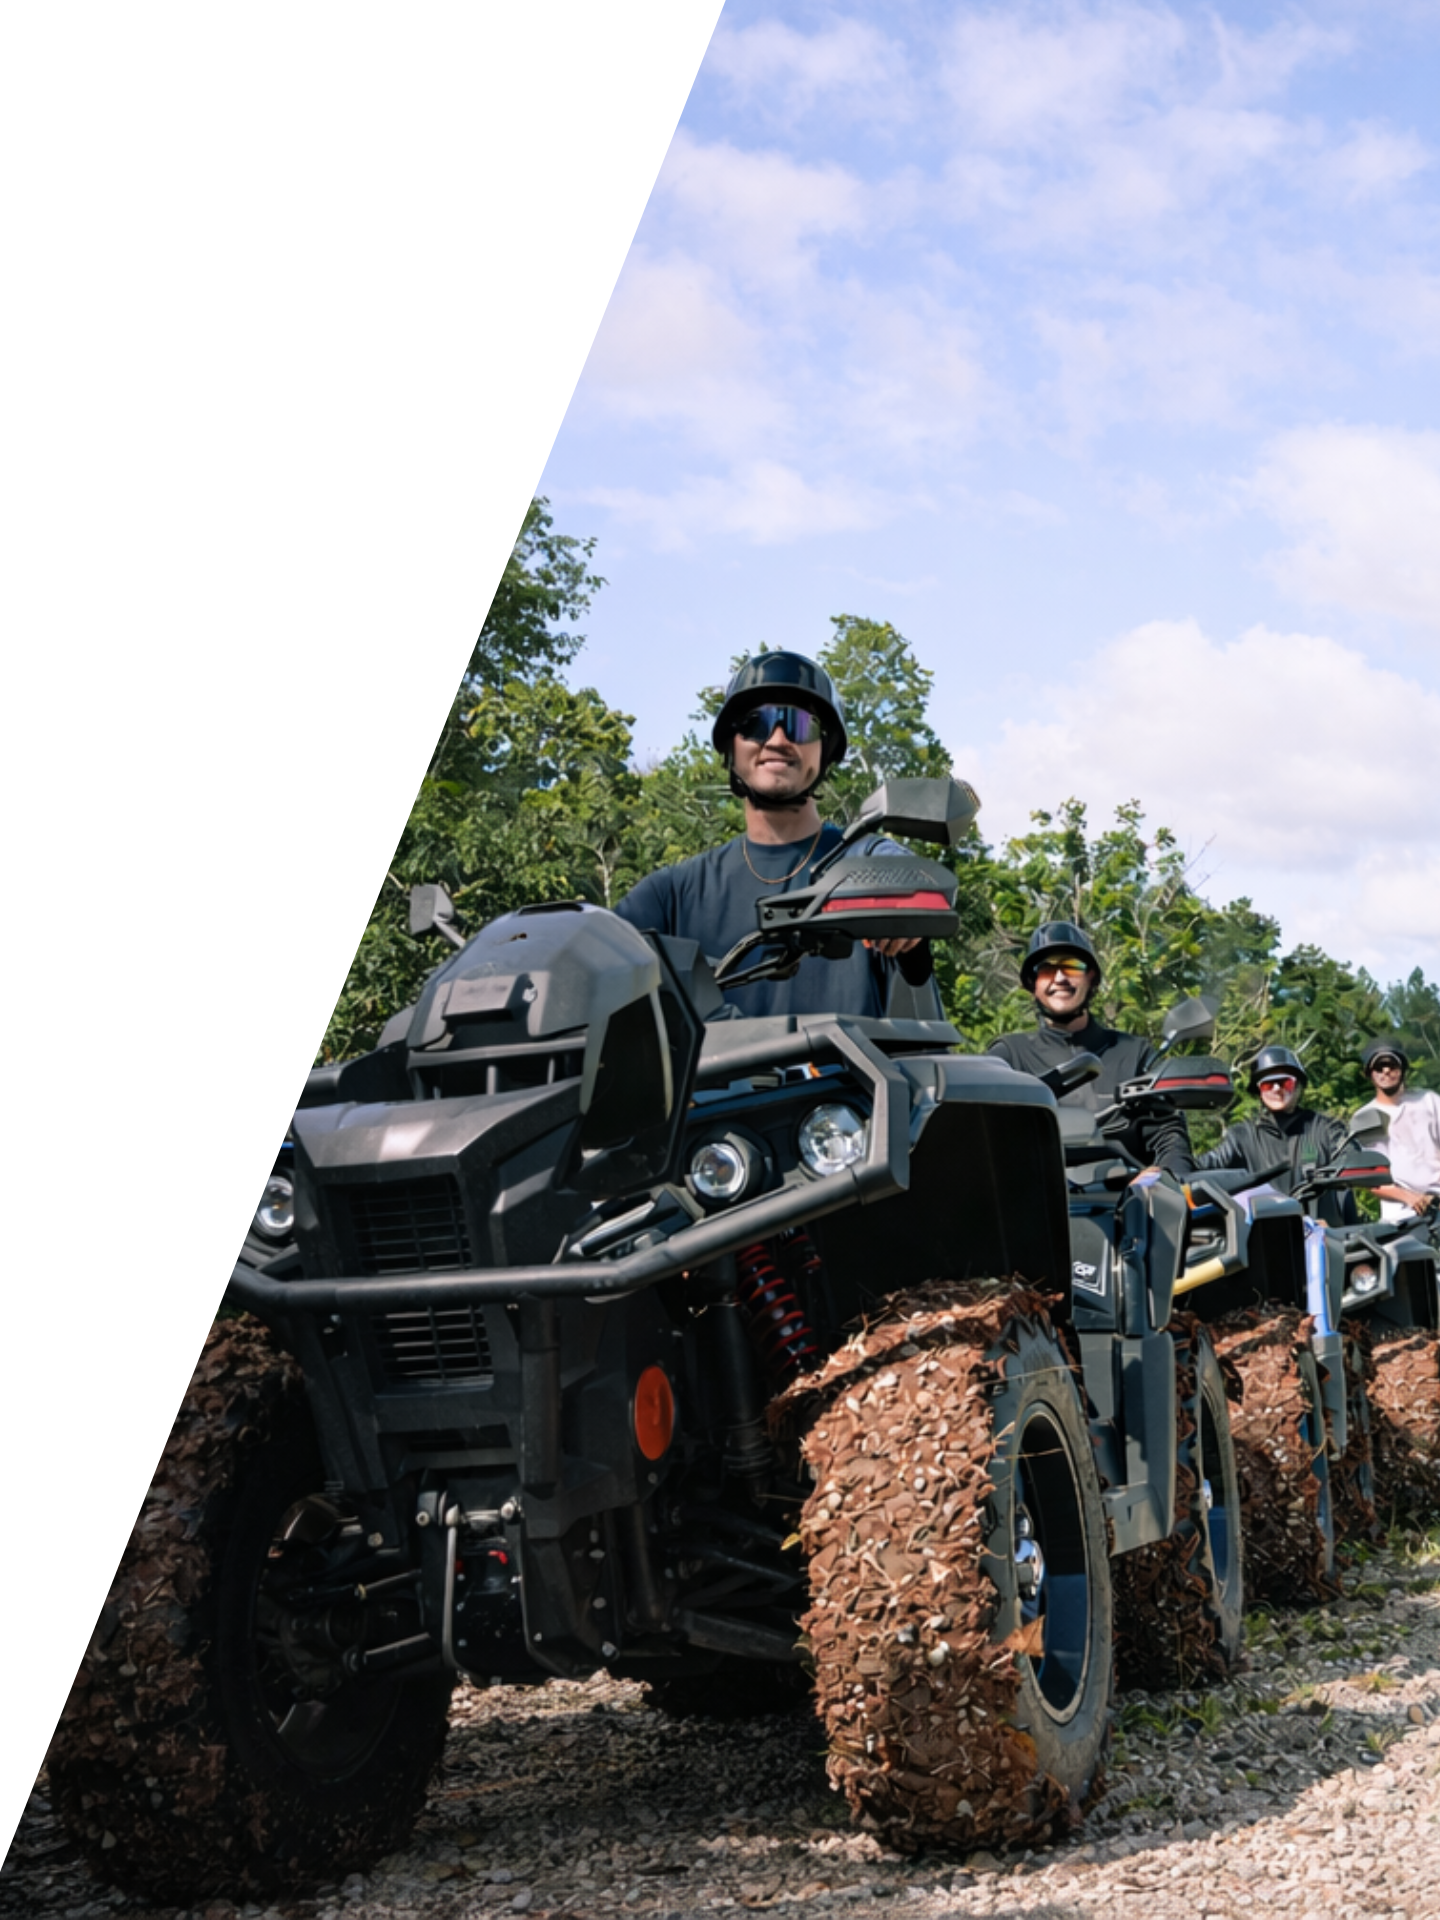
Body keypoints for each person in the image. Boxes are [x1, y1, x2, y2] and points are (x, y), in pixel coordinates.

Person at [613, 650, 950, 1019]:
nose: (776, 740)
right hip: (718, 1060)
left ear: (825, 748)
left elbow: (908, 879)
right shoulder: (673, 894)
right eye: (755, 724)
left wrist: (906, 917)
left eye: (800, 724)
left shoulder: (863, 860)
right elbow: (594, 954)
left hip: (850, 1059)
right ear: (731, 745)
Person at [987, 921, 1194, 1177]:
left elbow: (1169, 1136)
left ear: (1092, 977)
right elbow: (983, 1139)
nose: (1060, 978)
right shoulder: (1008, 1056)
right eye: (1047, 969)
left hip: (1127, 1197)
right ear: (1033, 982)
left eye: (1072, 966)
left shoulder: (1135, 1053)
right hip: (1035, 1197)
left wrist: (1162, 1179)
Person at [1196, 1045, 1357, 1228]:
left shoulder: (1327, 1129)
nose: (1276, 1088)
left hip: (1323, 1237)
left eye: (1285, 1082)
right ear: (1259, 1091)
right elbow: (1205, 1165)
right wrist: (1171, 1167)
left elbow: (1353, 1159)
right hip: (1264, 1237)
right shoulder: (1242, 1136)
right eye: (1267, 1084)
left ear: (1298, 1085)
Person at [1353, 1039, 1440, 1223]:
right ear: (1369, 1073)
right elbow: (1371, 1177)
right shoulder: (1366, 1117)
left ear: (1402, 1069)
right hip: (1400, 1216)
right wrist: (1411, 1198)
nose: (1386, 1070)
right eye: (1379, 1067)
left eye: (1392, 1065)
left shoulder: (1429, 1101)